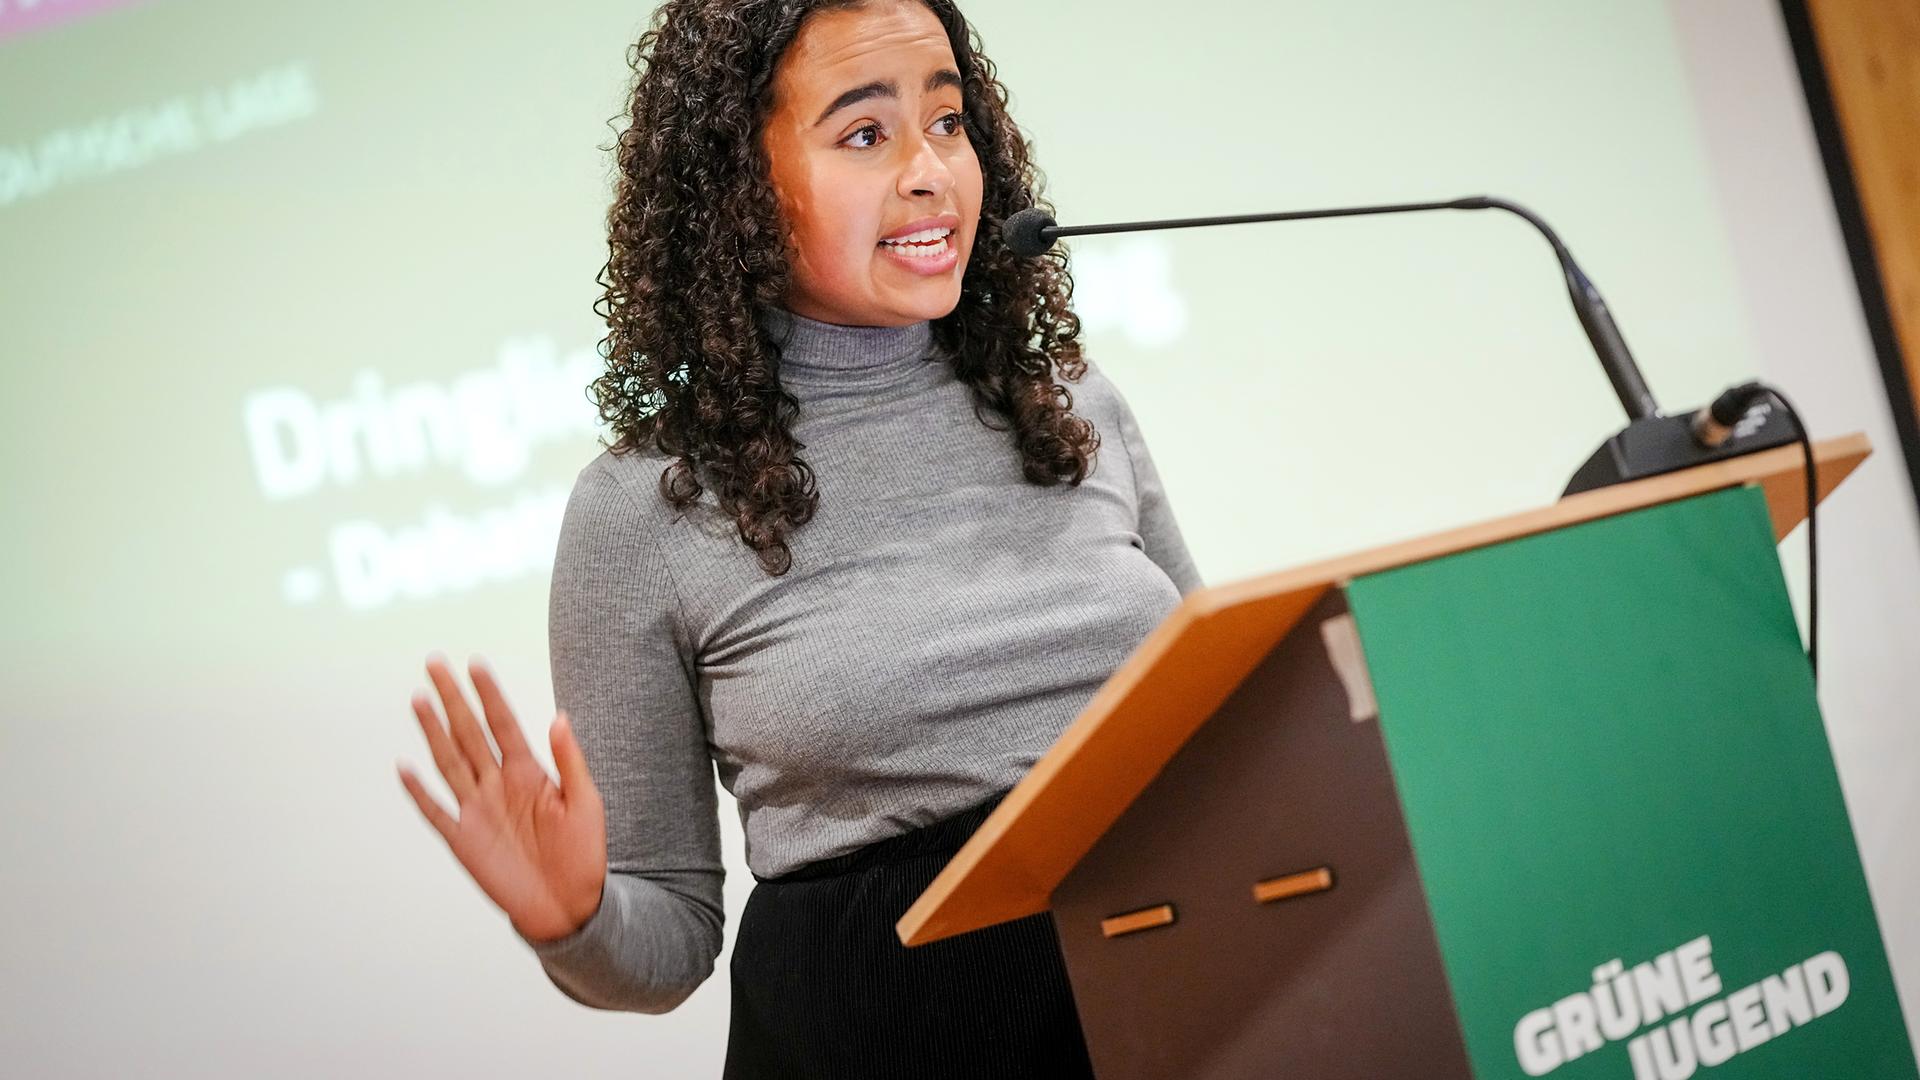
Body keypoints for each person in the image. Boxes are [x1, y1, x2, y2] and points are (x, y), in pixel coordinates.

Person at [396, 0, 1201, 1075]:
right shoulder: (644, 507)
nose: (931, 171)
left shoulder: (1072, 405)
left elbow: (1228, 723)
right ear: (739, 191)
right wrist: (573, 914)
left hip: (1187, 1000)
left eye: (950, 121)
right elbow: (668, 943)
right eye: (865, 134)